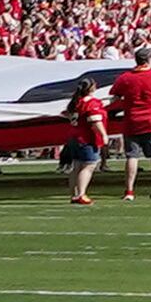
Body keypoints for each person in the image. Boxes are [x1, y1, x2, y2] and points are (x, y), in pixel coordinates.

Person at [109, 47, 151, 204]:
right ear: (149, 59)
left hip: (132, 121)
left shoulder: (126, 77)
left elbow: (114, 95)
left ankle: (129, 190)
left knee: (132, 156)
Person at [60, 75, 111, 207]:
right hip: (86, 138)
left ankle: (74, 194)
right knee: (88, 166)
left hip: (74, 136)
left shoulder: (76, 101)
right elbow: (95, 120)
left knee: (76, 166)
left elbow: (66, 114)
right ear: (92, 87)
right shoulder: (91, 103)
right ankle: (81, 194)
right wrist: (104, 134)